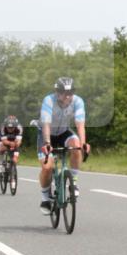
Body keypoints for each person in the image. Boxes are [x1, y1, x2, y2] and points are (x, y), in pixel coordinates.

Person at [38, 77, 90, 214]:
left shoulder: (78, 101)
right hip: (46, 135)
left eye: (71, 92)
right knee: (47, 167)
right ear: (57, 92)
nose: (68, 96)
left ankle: (73, 182)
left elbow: (80, 124)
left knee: (76, 145)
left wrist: (83, 144)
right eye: (64, 93)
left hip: (63, 132)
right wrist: (48, 143)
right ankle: (45, 198)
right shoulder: (48, 100)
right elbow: (46, 124)